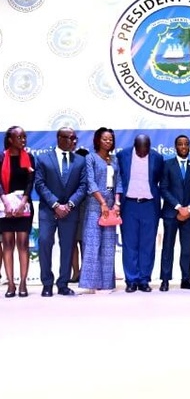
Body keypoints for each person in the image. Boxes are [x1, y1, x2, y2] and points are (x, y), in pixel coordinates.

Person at [35, 127, 87, 297]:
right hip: (48, 211)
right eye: (71, 138)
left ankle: (63, 284)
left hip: (70, 212)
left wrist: (69, 205)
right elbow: (40, 184)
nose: (74, 142)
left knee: (67, 247)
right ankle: (47, 284)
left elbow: (83, 186)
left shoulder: (79, 161)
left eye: (75, 138)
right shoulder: (43, 159)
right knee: (44, 243)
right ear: (60, 138)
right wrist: (56, 205)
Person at [117, 134, 163, 293]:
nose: (143, 152)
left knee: (148, 245)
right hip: (129, 204)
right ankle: (131, 280)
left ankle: (144, 280)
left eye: (146, 148)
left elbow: (159, 180)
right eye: (140, 149)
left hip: (149, 205)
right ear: (134, 146)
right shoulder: (123, 155)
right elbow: (118, 178)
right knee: (129, 244)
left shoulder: (157, 157)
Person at [79, 128, 122, 293]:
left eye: (110, 139)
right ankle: (91, 284)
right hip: (95, 203)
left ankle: (107, 283)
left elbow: (119, 182)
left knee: (108, 245)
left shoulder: (115, 159)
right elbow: (90, 181)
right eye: (105, 139)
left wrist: (116, 202)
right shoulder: (90, 158)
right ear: (98, 140)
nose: (108, 142)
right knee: (93, 243)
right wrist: (102, 202)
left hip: (112, 203)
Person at [159, 135, 190, 292]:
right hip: (171, 213)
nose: (183, 146)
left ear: (189, 146)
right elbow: (163, 188)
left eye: (186, 144)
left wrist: (189, 208)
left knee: (186, 248)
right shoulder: (167, 165)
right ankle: (165, 280)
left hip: (189, 216)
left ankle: (186, 280)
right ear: (175, 147)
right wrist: (178, 207)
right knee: (168, 247)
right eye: (180, 144)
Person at [0, 126, 35, 298]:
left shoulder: (29, 157)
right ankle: (11, 284)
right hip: (5, 206)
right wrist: (5, 201)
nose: (23, 140)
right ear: (10, 140)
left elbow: (30, 182)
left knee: (22, 243)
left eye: (24, 136)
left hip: (23, 206)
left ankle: (22, 283)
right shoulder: (1, 157)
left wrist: (23, 201)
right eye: (19, 137)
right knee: (7, 244)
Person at [70, 147, 89, 283]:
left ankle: (84, 271)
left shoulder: (90, 172)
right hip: (70, 208)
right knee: (71, 242)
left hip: (85, 208)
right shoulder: (70, 170)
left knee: (84, 242)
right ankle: (75, 272)